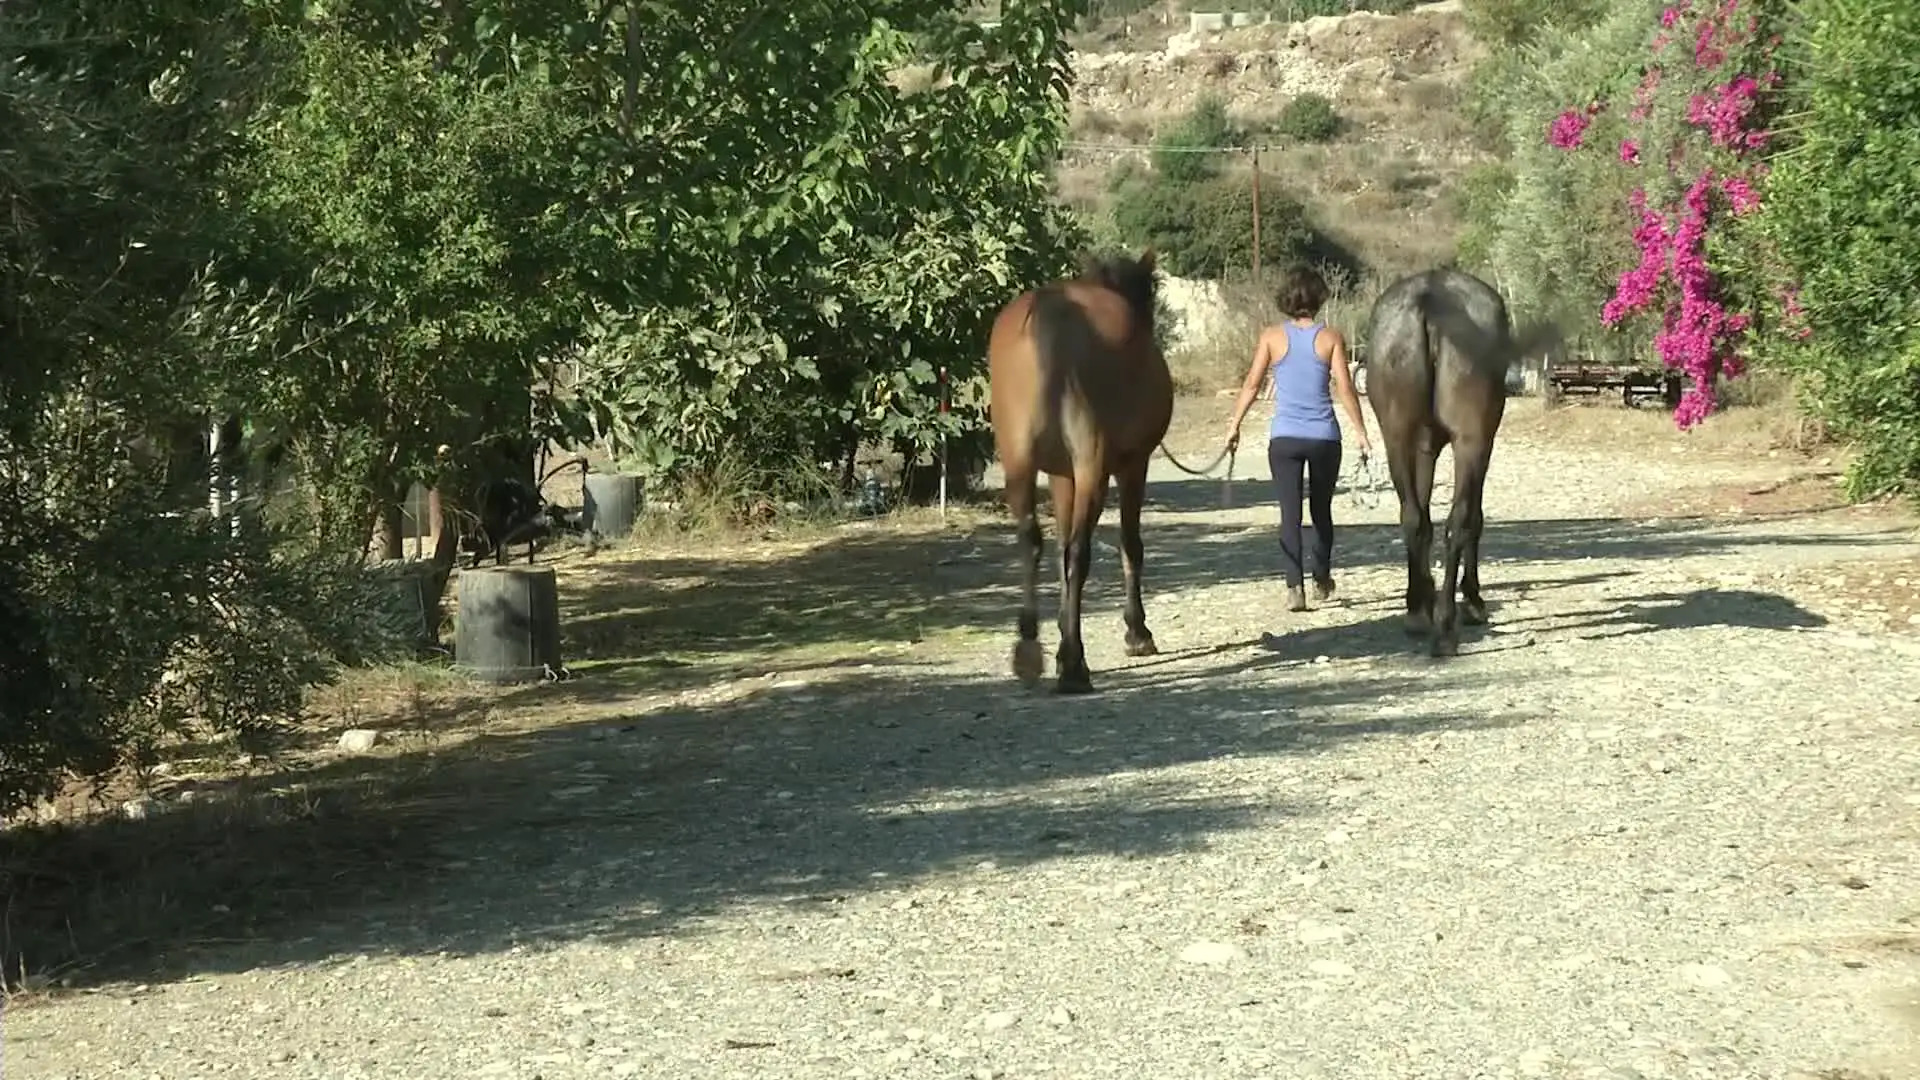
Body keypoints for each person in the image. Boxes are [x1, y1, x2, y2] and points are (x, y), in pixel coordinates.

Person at [1223, 265, 1372, 613]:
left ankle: (1295, 588)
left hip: (1285, 439)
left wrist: (1234, 425)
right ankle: (1321, 576)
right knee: (1321, 511)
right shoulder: (1331, 337)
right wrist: (1361, 431)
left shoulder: (1271, 337)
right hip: (1324, 438)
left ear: (1285, 298)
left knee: (1289, 515)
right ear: (1319, 298)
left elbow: (1252, 385)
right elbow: (1345, 388)